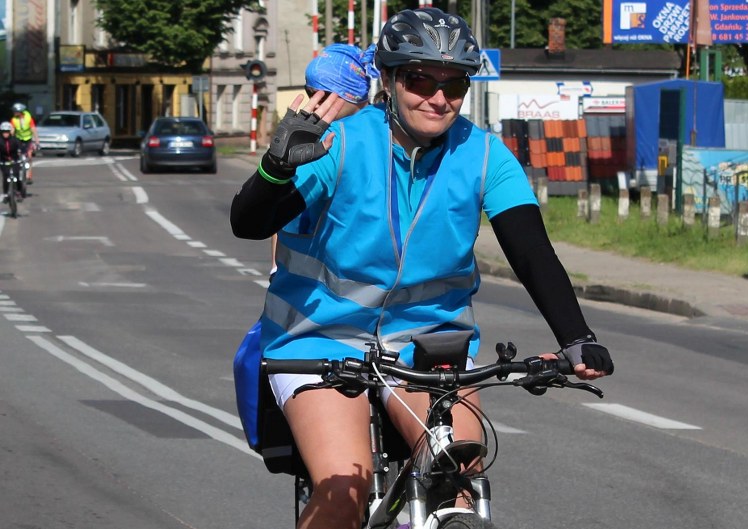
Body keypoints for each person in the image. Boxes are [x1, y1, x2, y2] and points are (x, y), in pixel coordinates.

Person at [231, 8, 614, 529]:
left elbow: (532, 251)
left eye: (454, 84)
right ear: (388, 80)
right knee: (344, 489)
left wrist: (576, 337)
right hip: (318, 341)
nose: (438, 98)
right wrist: (275, 170)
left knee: (461, 472)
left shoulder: (484, 155)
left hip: (429, 345)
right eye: (419, 80)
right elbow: (248, 223)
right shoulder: (338, 142)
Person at [268, 43, 378, 280]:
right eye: (311, 94)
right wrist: (275, 268)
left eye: (325, 96)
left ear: (353, 93)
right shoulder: (308, 138)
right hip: (297, 284)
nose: (316, 104)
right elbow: (280, 214)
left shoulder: (381, 142)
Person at [10, 102, 38, 184]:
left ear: (20, 111)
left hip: (28, 139)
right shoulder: (13, 120)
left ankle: (29, 176)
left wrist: (37, 141)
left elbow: (33, 129)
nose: (14, 113)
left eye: (15, 111)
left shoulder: (28, 118)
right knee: (17, 156)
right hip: (18, 139)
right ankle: (17, 172)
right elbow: (12, 131)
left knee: (29, 156)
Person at [0, 121, 24, 203]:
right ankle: (5, 194)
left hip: (15, 160)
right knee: (6, 177)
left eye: (7, 132)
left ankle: (18, 192)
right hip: (3, 161)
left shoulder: (15, 140)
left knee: (17, 176)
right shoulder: (0, 141)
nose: (5, 134)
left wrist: (20, 152)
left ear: (10, 132)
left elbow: (20, 148)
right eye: (4, 132)